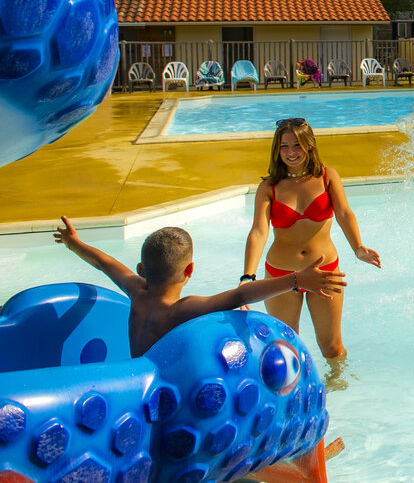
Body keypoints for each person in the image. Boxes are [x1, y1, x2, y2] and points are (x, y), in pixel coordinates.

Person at [54, 216, 345, 357]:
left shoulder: (136, 291)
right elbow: (239, 295)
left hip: (135, 377)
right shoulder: (180, 309)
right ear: (189, 270)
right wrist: (296, 280)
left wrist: (72, 242)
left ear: (141, 269)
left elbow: (104, 263)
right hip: (165, 392)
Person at [243, 118, 381, 359]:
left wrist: (357, 247)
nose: (291, 152)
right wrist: (248, 277)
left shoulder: (327, 176)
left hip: (324, 271)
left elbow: (344, 213)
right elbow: (259, 231)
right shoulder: (268, 187)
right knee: (285, 346)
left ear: (309, 145)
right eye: (284, 146)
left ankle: (337, 381)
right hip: (281, 274)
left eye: (297, 145)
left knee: (332, 347)